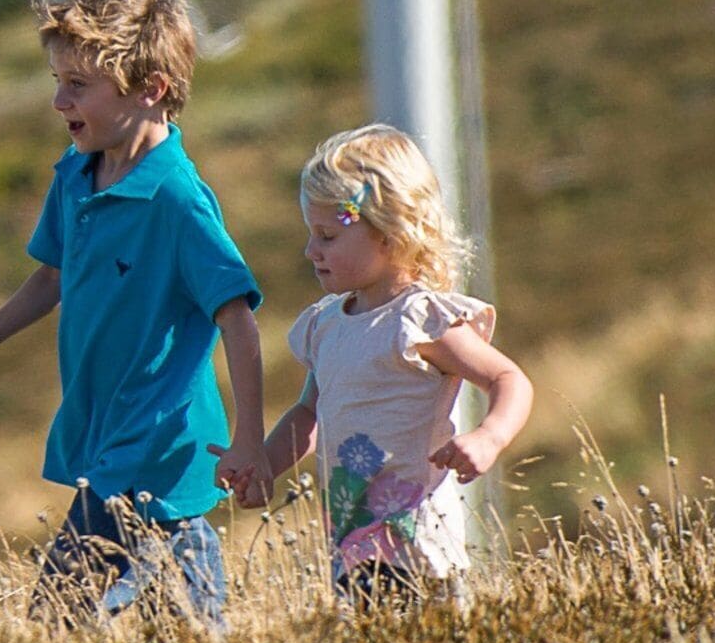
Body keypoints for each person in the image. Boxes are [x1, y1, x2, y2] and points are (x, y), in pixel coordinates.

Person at [0, 0, 261, 629]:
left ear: (151, 90)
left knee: (60, 618)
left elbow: (236, 318)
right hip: (107, 439)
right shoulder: (76, 174)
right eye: (57, 80)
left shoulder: (178, 200)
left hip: (156, 447)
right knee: (171, 634)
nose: (58, 100)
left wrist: (250, 439)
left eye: (78, 84)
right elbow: (52, 278)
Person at [224, 124, 534, 602]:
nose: (311, 251)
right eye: (311, 234)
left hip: (416, 544)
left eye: (327, 236)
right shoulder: (326, 325)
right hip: (351, 540)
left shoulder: (421, 321)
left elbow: (507, 378)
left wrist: (489, 437)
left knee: (430, 642)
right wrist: (267, 463)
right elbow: (308, 414)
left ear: (390, 235)